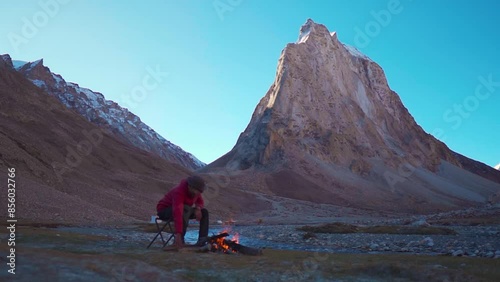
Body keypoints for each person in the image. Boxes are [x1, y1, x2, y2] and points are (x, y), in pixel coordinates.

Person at [156, 175, 209, 248]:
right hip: (164, 211)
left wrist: (198, 208)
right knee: (185, 208)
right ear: (190, 187)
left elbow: (200, 202)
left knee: (204, 212)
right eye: (197, 191)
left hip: (184, 210)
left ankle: (202, 240)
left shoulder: (196, 192)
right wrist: (178, 233)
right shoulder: (179, 192)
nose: (198, 193)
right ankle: (180, 240)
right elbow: (178, 212)